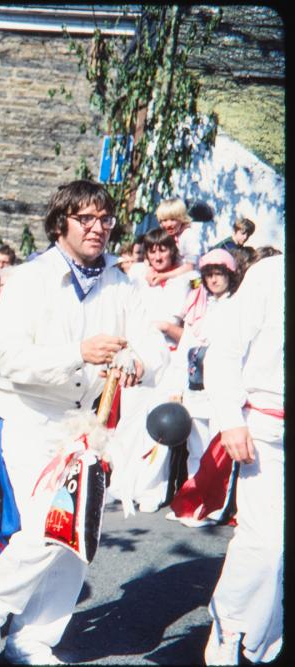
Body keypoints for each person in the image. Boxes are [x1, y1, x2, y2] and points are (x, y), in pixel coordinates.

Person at [0, 180, 166, 665]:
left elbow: (155, 349)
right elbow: (8, 364)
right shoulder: (28, 280)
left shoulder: (123, 282)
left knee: (77, 537)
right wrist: (77, 354)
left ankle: (32, 640)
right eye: (87, 219)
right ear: (62, 223)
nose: (99, 229)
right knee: (44, 527)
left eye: (106, 219)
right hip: (30, 418)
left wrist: (136, 363)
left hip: (90, 424)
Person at [202, 254, 283, 665]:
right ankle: (228, 623)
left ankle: (266, 636)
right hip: (267, 430)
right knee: (266, 541)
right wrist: (231, 420)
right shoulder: (269, 274)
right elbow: (224, 354)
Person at [109, 227, 194, 513]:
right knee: (128, 422)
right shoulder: (136, 277)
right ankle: (121, 484)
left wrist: (167, 327)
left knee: (159, 425)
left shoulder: (184, 280)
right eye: (153, 250)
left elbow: (195, 268)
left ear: (173, 251)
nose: (158, 255)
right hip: (139, 355)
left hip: (169, 359)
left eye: (164, 249)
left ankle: (150, 490)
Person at [162, 249, 240, 527]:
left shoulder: (238, 307)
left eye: (219, 274)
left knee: (218, 452)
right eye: (208, 275)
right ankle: (194, 503)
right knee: (196, 449)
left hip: (222, 392)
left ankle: (217, 507)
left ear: (229, 275)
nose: (213, 280)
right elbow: (185, 352)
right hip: (195, 389)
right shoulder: (198, 308)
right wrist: (176, 389)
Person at [146, 198, 201, 284]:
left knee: (191, 283)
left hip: (195, 278)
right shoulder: (168, 235)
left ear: (181, 219)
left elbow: (190, 267)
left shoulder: (188, 236)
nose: (168, 225)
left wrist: (163, 276)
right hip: (174, 275)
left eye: (173, 219)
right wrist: (150, 270)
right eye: (164, 220)